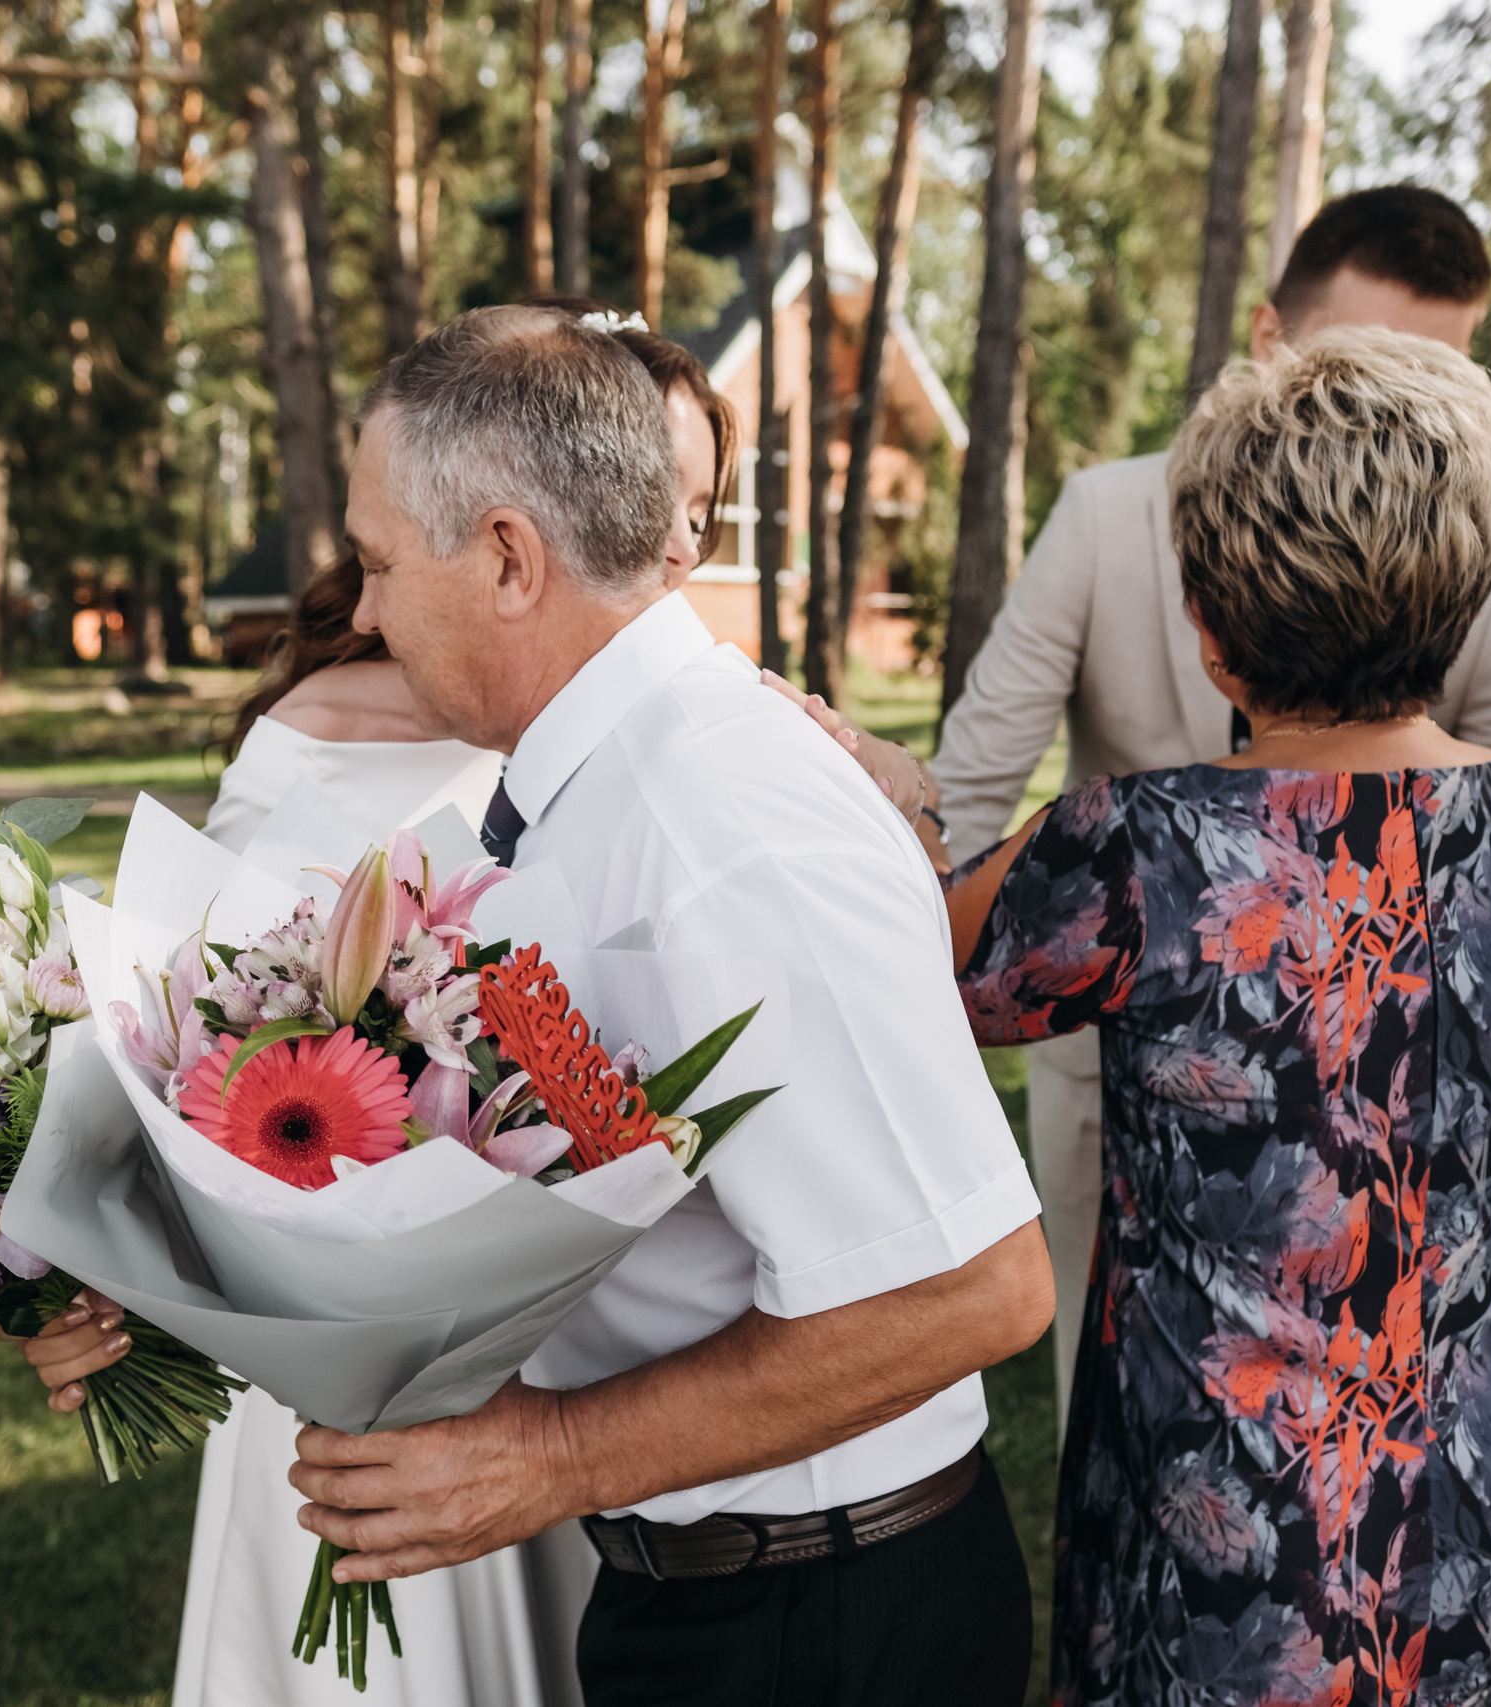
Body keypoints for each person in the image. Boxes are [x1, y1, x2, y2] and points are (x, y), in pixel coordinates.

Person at [826, 185, 1491, 1425]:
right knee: (1115, 1390)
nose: (1408, 432)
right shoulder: (1109, 518)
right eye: (1369, 366)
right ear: (1271, 340)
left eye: (1439, 381)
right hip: (1120, 1077)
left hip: (1431, 1108)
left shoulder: (1479, 551)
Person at [939, 327, 1491, 1701]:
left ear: (1209, 629)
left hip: (1255, 1559)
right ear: (1461, 608)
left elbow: (920, 962)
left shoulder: (1138, 850)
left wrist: (880, 792)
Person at [280, 304, 1054, 1706]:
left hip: (820, 1626)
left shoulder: (718, 824)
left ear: (510, 556)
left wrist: (554, 1458)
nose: (370, 608)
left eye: (383, 562)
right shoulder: (601, 789)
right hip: (718, 1600)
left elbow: (970, 1285)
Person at [18, 309, 744, 1707]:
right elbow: (185, 1041)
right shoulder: (306, 733)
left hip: (531, 1353)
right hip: (308, 1319)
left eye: (698, 514)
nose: (671, 546)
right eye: (654, 498)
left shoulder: (687, 750)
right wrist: (85, 1278)